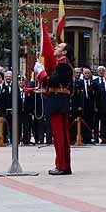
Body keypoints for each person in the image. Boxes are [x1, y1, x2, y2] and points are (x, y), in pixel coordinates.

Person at [43, 43, 74, 175]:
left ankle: (62, 166)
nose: (55, 48)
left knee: (60, 137)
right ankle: (63, 164)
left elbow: (53, 81)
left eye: (59, 47)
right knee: (61, 136)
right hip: (59, 102)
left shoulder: (63, 65)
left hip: (58, 103)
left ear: (65, 52)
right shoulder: (62, 65)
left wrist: (41, 74)